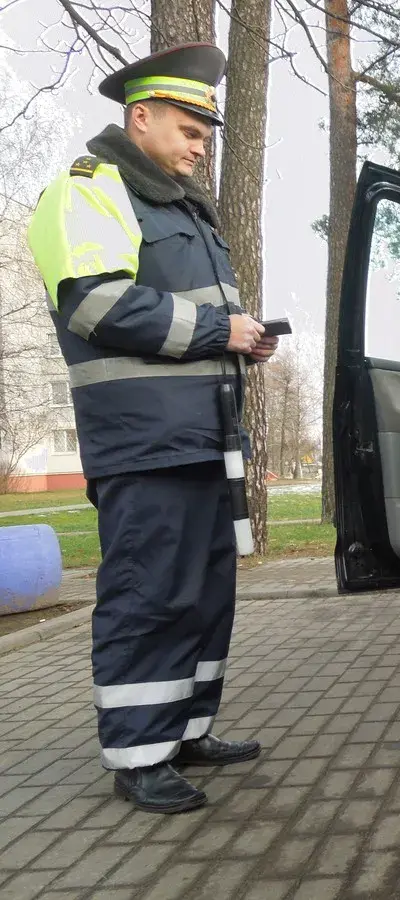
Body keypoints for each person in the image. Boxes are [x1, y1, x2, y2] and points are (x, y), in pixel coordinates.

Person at [25, 43, 276, 814]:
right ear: (142, 117)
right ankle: (138, 752)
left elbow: (193, 318)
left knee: (204, 594)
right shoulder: (92, 189)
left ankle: (186, 729)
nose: (202, 144)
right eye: (191, 128)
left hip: (200, 439)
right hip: (144, 445)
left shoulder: (178, 206)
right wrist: (218, 331)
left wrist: (244, 338)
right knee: (149, 594)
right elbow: (97, 305)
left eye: (208, 131)